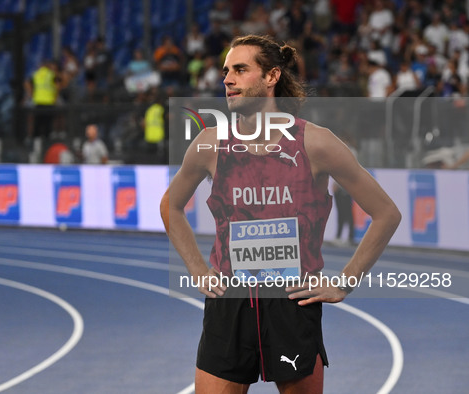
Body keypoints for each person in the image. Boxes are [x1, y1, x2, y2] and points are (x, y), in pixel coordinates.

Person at [160, 34, 401, 393]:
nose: (227, 79)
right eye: (226, 71)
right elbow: (170, 205)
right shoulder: (209, 144)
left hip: (292, 304)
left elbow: (386, 213)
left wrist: (345, 282)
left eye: (240, 70)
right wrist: (197, 269)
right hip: (229, 304)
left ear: (271, 77)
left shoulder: (315, 143)